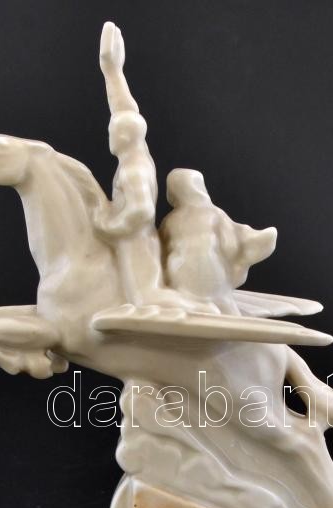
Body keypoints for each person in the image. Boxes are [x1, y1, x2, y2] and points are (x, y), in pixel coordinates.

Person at [95, 22, 184, 307]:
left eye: (112, 132)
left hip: (135, 246)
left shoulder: (133, 170)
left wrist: (108, 226)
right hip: (136, 242)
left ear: (122, 137)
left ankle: (204, 310)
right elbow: (124, 110)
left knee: (146, 299)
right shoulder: (138, 152)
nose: (109, 135)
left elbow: (142, 210)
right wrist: (113, 71)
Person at [159, 168, 277, 313]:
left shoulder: (169, 220)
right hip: (214, 277)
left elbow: (161, 252)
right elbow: (229, 244)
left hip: (179, 279)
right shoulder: (215, 214)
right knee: (225, 303)